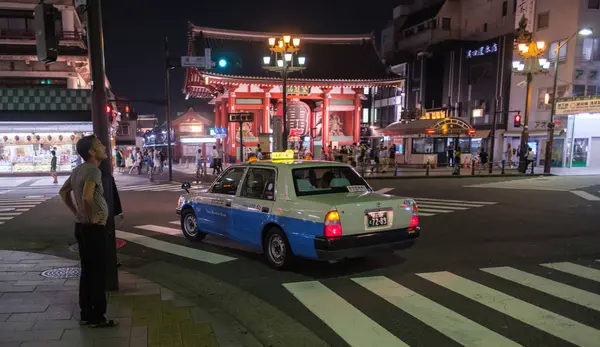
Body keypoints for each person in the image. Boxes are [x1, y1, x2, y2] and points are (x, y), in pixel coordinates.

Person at [58, 134, 118, 328]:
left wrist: (77, 213)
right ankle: (97, 317)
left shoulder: (77, 170)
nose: (103, 147)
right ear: (92, 151)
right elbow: (86, 196)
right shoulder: (93, 171)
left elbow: (63, 192)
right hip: (93, 229)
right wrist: (92, 216)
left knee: (87, 271)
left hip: (80, 226)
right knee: (98, 272)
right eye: (99, 144)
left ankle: (86, 313)